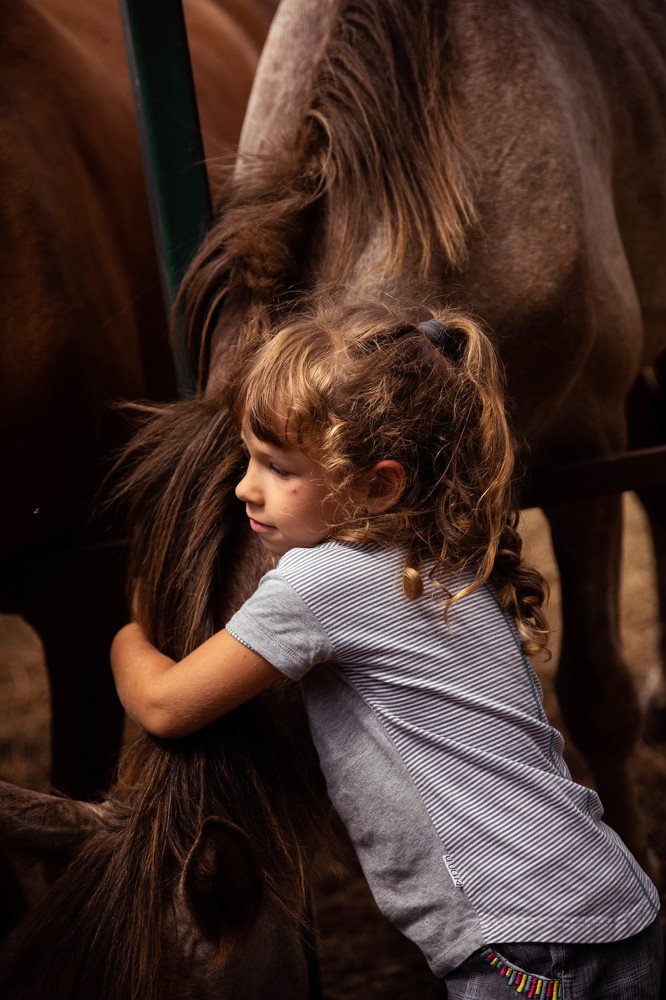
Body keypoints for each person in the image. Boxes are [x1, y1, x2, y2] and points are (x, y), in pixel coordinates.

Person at [111, 299, 662, 998]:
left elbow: (165, 704)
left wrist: (126, 628)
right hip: (615, 910)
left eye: (279, 467)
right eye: (249, 457)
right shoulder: (448, 555)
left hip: (522, 941)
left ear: (378, 484)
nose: (245, 486)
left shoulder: (322, 580)